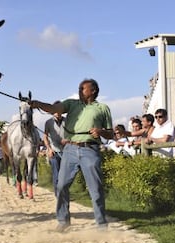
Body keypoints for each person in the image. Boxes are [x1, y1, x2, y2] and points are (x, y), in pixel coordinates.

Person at [30, 78, 113, 232]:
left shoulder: (102, 108)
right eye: (79, 88)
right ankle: (63, 220)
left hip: (90, 150)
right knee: (61, 186)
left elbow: (111, 134)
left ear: (93, 91)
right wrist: (38, 104)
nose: (80, 90)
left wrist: (101, 132)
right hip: (70, 150)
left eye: (83, 88)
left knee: (95, 188)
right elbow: (53, 107)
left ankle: (101, 224)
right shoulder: (71, 104)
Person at [43, 101, 67, 196]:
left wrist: (67, 140)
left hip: (66, 151)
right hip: (54, 151)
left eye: (59, 110)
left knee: (65, 174)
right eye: (55, 110)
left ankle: (64, 192)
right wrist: (49, 149)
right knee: (56, 174)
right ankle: (58, 194)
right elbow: (45, 136)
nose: (57, 112)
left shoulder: (67, 121)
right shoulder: (48, 122)